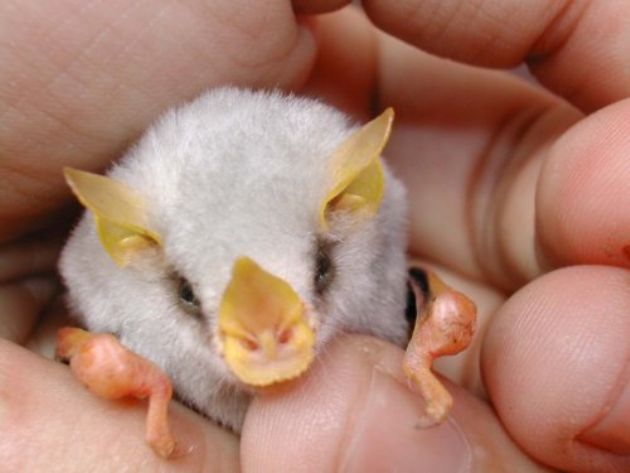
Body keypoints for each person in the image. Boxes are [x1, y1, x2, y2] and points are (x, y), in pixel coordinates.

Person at [0, 1, 628, 471]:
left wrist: (431, 327)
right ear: (132, 247)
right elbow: (83, 284)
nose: (271, 344)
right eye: (193, 296)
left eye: (317, 275)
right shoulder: (110, 268)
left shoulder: (361, 217)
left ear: (351, 205)